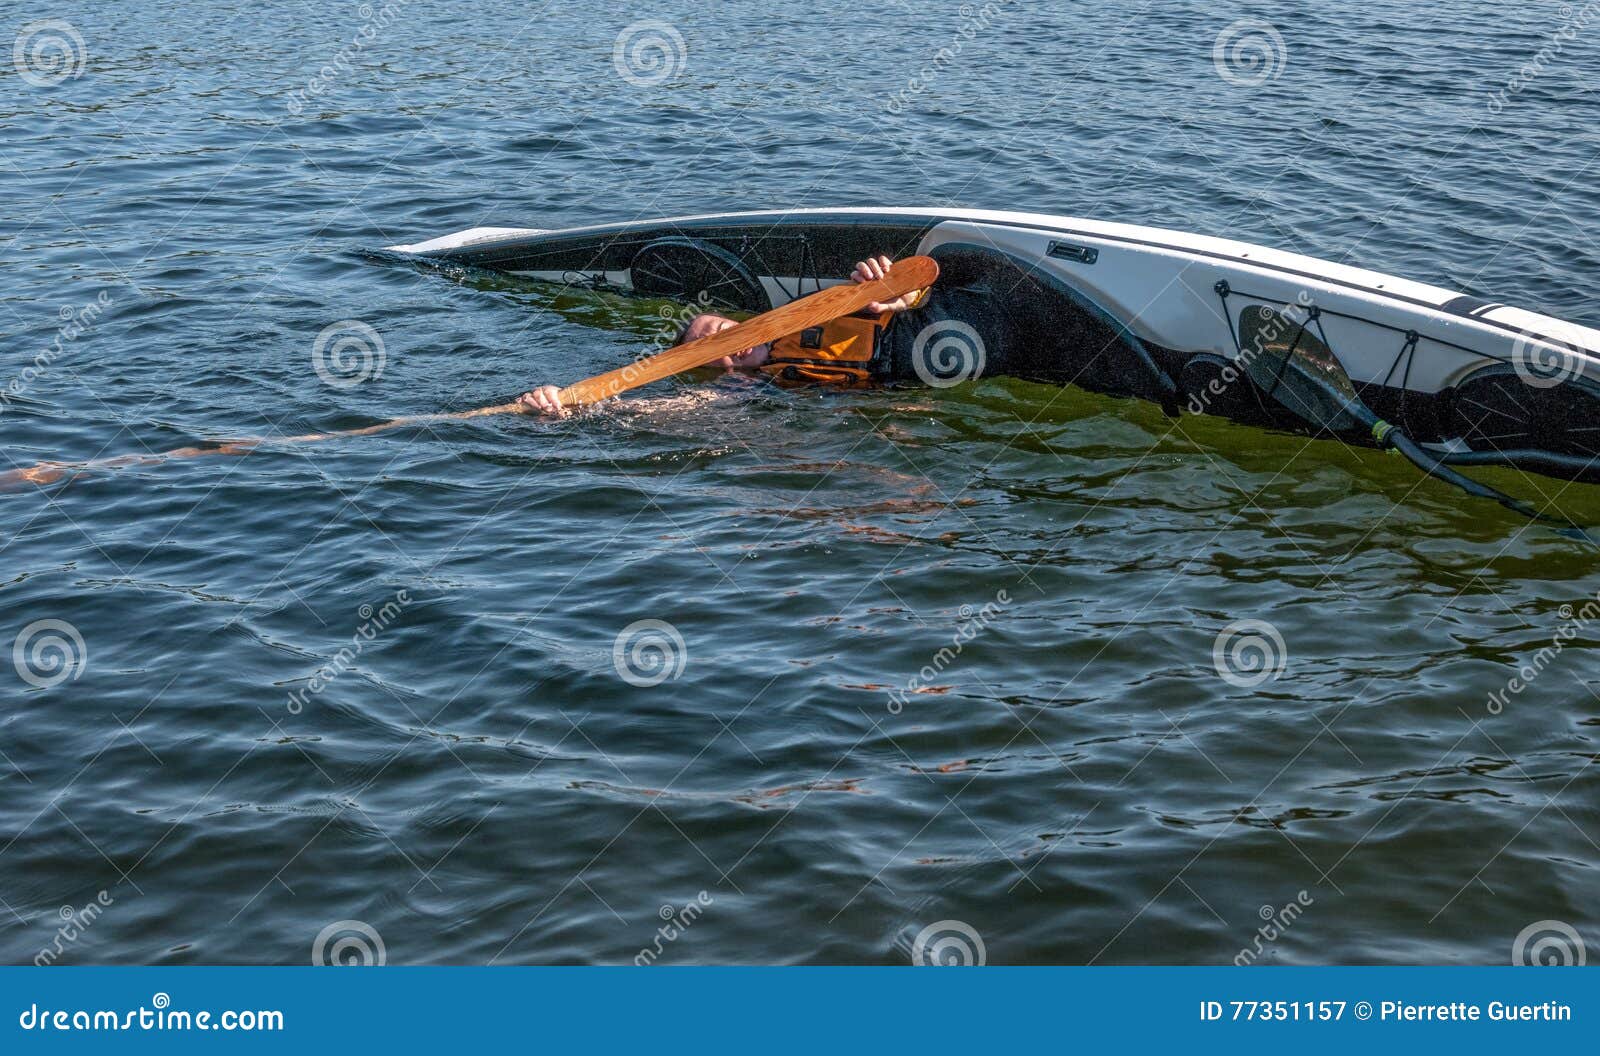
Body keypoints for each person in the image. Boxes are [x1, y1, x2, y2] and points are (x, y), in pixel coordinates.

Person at [517, 255, 931, 416]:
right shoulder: (753, 386)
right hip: (912, 382)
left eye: (721, 333)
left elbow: (921, 286)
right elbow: (674, 407)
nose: (732, 348)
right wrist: (565, 402)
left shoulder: (813, 308)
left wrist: (892, 291)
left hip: (926, 328)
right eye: (720, 355)